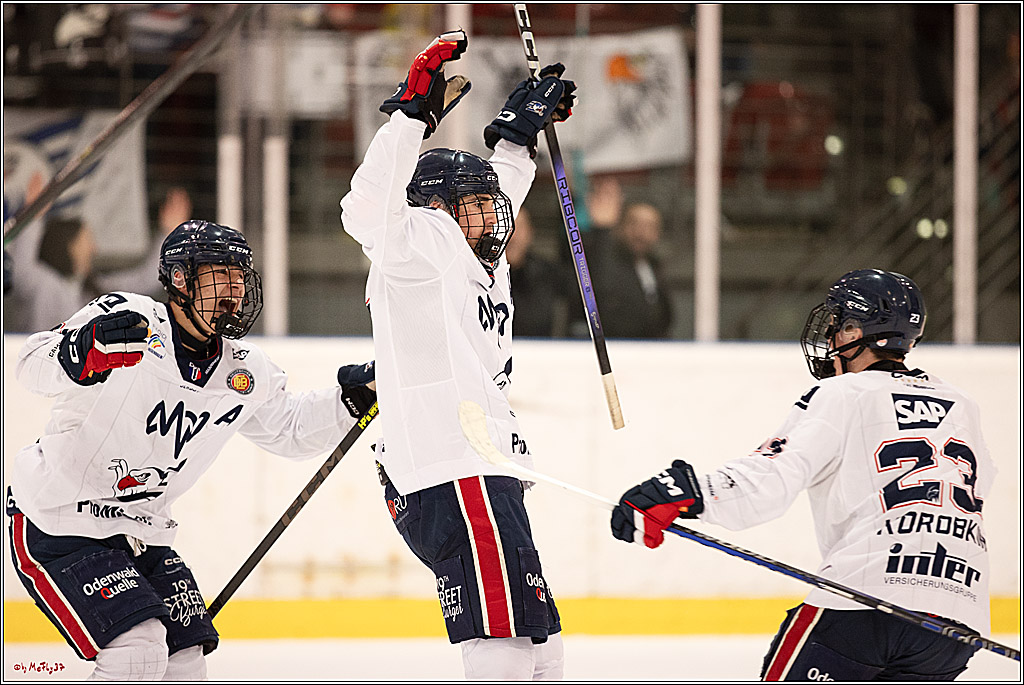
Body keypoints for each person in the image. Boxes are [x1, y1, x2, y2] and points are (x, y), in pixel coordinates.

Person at [6, 219, 377, 680]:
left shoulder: (243, 369)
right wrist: (81, 353)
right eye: (221, 275)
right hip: (58, 517)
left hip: (144, 533)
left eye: (241, 277)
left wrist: (356, 396)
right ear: (180, 279)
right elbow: (28, 364)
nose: (235, 289)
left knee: (185, 663)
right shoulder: (128, 318)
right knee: (136, 650)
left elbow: (291, 429)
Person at [610, 269, 993, 681]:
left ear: (853, 331)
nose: (830, 339)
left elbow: (769, 481)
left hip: (863, 607)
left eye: (837, 325)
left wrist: (684, 491)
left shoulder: (842, 394)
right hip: (957, 619)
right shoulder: (962, 404)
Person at [340, 30, 575, 680]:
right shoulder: (420, 244)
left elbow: (494, 188)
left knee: (541, 645)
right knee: (502, 642)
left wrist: (517, 137)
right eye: (474, 208)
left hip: (480, 465)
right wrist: (408, 120)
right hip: (453, 468)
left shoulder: (471, 248)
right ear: (435, 211)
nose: (493, 218)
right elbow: (365, 210)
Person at [590, 202, 672, 339]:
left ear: (658, 232)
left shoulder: (654, 266)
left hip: (651, 351)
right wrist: (602, 231)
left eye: (649, 226)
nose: (641, 232)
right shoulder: (606, 262)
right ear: (621, 227)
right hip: (618, 348)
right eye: (634, 223)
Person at [506, 208, 560, 338]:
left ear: (530, 232)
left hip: (537, 351)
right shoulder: (479, 273)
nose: (513, 234)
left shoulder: (548, 273)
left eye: (519, 226)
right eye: (507, 226)